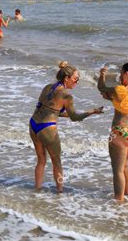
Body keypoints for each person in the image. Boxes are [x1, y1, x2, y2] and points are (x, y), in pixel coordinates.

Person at [29, 61, 104, 192]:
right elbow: (75, 117)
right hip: (47, 129)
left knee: (41, 160)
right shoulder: (66, 96)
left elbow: (51, 109)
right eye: (75, 79)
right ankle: (60, 193)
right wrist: (92, 112)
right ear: (66, 78)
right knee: (57, 162)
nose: (77, 82)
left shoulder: (47, 87)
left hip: (33, 125)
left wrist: (68, 114)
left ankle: (37, 190)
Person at [98, 60, 128, 202]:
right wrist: (111, 98)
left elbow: (101, 87)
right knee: (125, 165)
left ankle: (119, 203)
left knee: (117, 170)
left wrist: (102, 74)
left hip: (120, 131)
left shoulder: (120, 90)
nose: (120, 76)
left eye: (121, 73)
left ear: (126, 74)